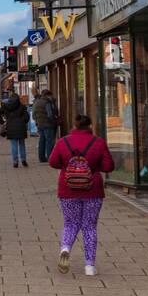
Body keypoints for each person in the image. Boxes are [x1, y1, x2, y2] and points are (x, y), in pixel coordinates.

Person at [49, 114, 115, 276]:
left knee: (70, 223)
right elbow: (108, 166)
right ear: (90, 126)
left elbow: (53, 162)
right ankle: (90, 266)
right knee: (89, 226)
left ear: (74, 126)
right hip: (93, 190)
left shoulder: (63, 142)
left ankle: (65, 248)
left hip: (68, 190)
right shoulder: (98, 142)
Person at [1, 91, 29, 167]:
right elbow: (27, 117)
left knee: (14, 145)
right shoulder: (22, 106)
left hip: (11, 127)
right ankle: (23, 160)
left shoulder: (6, 106)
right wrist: (23, 121)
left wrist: (2, 121)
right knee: (22, 144)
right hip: (21, 127)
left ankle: (15, 162)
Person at [35, 89, 60, 163]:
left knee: (42, 141)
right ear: (48, 95)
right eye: (51, 95)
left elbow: (34, 114)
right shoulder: (47, 103)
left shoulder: (38, 102)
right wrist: (54, 121)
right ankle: (50, 158)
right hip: (48, 125)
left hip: (40, 124)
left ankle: (41, 158)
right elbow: (50, 114)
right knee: (49, 142)